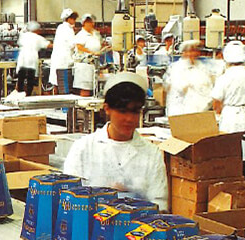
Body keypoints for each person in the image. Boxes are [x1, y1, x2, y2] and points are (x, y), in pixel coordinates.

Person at [63, 72, 168, 211]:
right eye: (123, 111)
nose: (129, 119)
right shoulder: (83, 148)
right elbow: (68, 200)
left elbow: (160, 206)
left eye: (135, 112)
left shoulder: (151, 153)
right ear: (107, 109)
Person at [211, 41, 245, 187]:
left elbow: (216, 102)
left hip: (232, 117)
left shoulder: (224, 77)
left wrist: (219, 113)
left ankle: (236, 191)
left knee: (234, 157)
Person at [163, 40, 213, 116]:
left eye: (194, 51)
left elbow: (208, 87)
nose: (191, 54)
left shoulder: (202, 68)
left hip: (200, 111)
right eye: (189, 51)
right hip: (179, 111)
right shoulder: (176, 68)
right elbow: (181, 87)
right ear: (183, 53)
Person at [72, 13, 105, 96]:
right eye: (88, 22)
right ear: (83, 23)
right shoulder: (81, 35)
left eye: (92, 22)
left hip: (95, 64)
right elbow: (79, 47)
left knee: (95, 89)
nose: (91, 24)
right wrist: (92, 53)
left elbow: (100, 45)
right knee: (85, 89)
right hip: (84, 66)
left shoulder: (95, 34)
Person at [15, 21, 52, 96]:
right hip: (31, 61)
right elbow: (49, 45)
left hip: (22, 60)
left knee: (20, 80)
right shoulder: (37, 37)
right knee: (30, 82)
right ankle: (28, 96)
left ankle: (19, 96)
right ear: (36, 30)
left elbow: (18, 43)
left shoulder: (23, 36)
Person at [50, 8, 78, 94]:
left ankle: (62, 107)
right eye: (73, 18)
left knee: (60, 87)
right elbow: (72, 44)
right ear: (68, 19)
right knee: (65, 89)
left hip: (61, 62)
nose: (74, 21)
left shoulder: (61, 27)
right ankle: (65, 107)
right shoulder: (67, 29)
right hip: (64, 64)